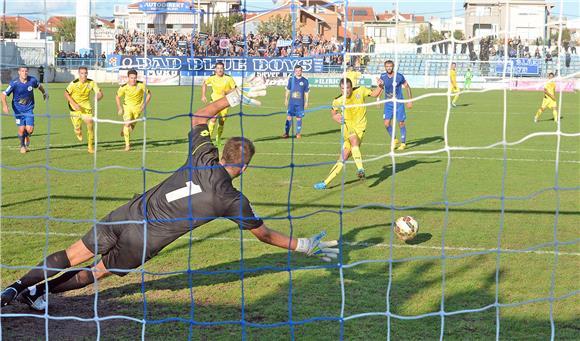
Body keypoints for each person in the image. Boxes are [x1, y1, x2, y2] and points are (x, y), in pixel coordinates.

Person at [0, 79, 338, 311]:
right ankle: (36, 292)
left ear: (222, 155)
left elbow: (199, 115)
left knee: (72, 253)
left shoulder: (202, 155)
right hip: (143, 242)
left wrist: (232, 97)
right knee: (97, 272)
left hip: (126, 214)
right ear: (245, 168)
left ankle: (17, 286)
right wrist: (301, 245)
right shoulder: (231, 200)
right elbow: (263, 234)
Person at [313, 78, 383, 190]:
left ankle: (325, 182)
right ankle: (360, 169)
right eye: (342, 89)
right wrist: (335, 117)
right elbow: (333, 113)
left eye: (347, 88)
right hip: (347, 127)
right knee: (353, 140)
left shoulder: (360, 90)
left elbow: (374, 94)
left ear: (352, 87)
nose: (345, 91)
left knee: (343, 156)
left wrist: (380, 86)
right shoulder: (337, 100)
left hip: (360, 128)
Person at [1, 66, 48, 154]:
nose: (24, 73)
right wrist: (4, 106)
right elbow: (3, 94)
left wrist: (44, 93)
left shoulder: (32, 80)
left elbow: (39, 86)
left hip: (29, 108)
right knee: (21, 129)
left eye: (26, 71)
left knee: (30, 130)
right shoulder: (14, 83)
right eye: (22, 71)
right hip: (18, 109)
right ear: (19, 72)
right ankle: (23, 146)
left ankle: (26, 136)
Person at [64, 66, 104, 153]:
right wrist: (74, 104)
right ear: (79, 74)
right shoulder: (73, 83)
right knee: (77, 127)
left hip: (86, 106)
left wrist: (98, 97)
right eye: (82, 73)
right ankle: (78, 131)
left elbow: (100, 93)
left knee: (90, 124)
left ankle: (90, 147)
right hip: (74, 106)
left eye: (85, 73)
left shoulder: (91, 83)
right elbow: (66, 94)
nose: (84, 75)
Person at [379, 60, 413, 151]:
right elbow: (381, 88)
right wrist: (378, 99)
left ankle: (403, 143)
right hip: (388, 103)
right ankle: (394, 139)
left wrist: (410, 100)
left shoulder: (399, 76)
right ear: (385, 67)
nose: (389, 68)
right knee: (386, 124)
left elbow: (407, 87)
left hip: (398, 103)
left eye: (390, 66)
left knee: (401, 123)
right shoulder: (382, 76)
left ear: (393, 66)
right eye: (387, 66)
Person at [201, 62, 237, 146]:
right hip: (214, 101)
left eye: (221, 68)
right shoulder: (212, 77)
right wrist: (203, 95)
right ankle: (208, 140)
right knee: (213, 118)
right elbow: (204, 84)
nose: (220, 70)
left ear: (223, 69)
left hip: (225, 102)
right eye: (218, 68)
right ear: (215, 69)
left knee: (222, 121)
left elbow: (235, 89)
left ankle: (218, 138)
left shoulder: (228, 78)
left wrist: (227, 92)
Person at [115, 69, 152, 151]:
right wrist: (119, 107)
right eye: (131, 78)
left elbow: (149, 94)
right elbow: (117, 96)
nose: (133, 80)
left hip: (138, 109)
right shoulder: (123, 87)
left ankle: (124, 129)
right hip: (127, 107)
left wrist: (144, 105)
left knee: (130, 128)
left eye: (135, 78)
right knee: (128, 123)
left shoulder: (141, 85)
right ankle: (127, 146)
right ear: (128, 78)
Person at [283, 65, 309, 139]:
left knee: (299, 118)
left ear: (301, 71)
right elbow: (288, 89)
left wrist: (307, 101)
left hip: (300, 103)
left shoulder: (305, 81)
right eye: (296, 71)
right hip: (291, 103)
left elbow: (306, 92)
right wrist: (286, 99)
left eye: (299, 70)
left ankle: (298, 133)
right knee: (289, 117)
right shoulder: (291, 79)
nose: (298, 72)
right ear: (294, 71)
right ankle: (286, 133)